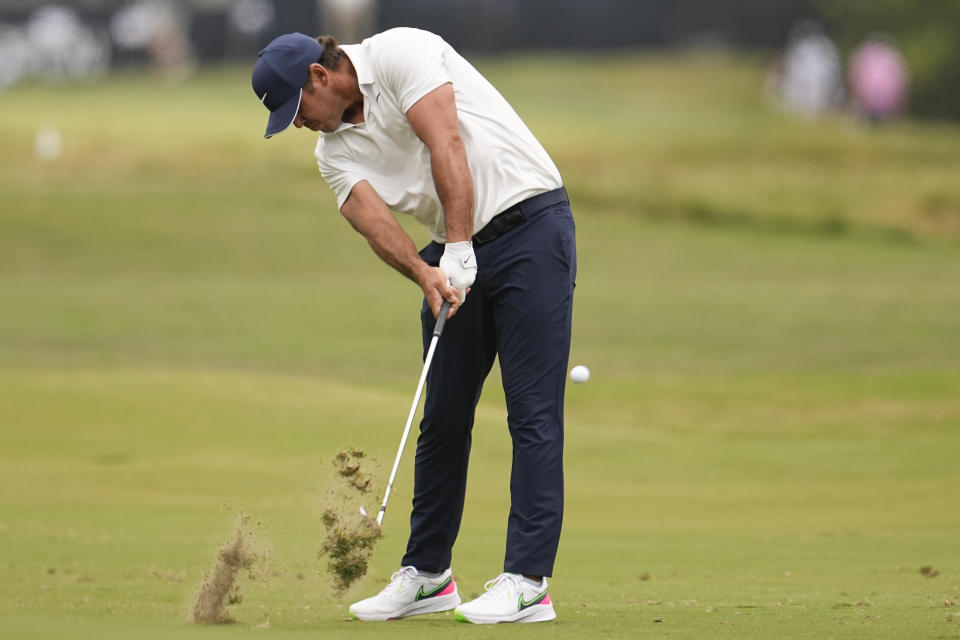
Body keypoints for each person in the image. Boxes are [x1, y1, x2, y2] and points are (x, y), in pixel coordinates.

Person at [251, 28, 576, 624]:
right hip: (453, 252)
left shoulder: (402, 53)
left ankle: (528, 581)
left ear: (319, 77)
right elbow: (373, 223)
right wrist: (428, 276)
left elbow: (445, 140)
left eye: (295, 110)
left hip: (531, 224)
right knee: (444, 416)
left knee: (531, 413)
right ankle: (428, 576)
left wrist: (456, 245)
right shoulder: (333, 154)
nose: (297, 125)